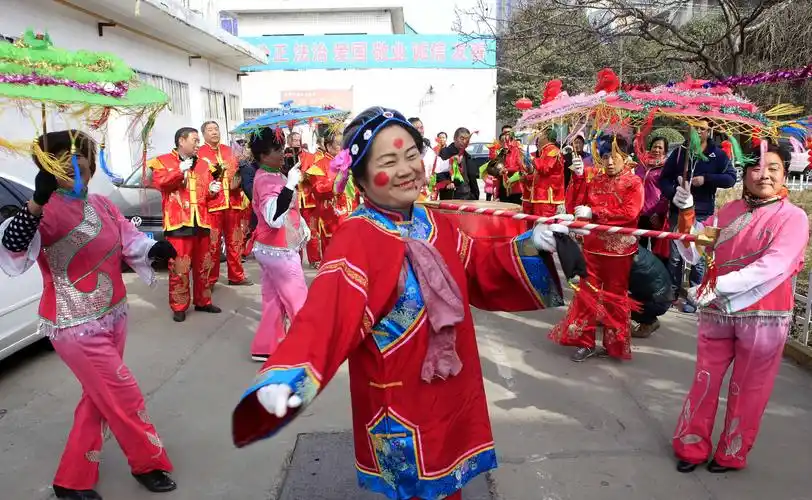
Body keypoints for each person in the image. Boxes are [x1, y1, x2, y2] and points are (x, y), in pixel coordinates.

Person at [231, 106, 580, 500]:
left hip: (452, 385)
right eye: (388, 161)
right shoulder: (357, 237)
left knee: (449, 482)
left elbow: (478, 265)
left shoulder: (434, 222)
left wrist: (533, 245)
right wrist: (286, 379)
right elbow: (326, 317)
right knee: (414, 488)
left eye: (411, 155)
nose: (406, 169)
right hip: (398, 394)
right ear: (361, 178)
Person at [0, 131, 177, 500]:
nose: (73, 162)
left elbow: (130, 239)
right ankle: (148, 462)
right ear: (46, 166)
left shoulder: (102, 204)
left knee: (99, 397)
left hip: (114, 314)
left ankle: (72, 479)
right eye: (61, 158)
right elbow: (12, 245)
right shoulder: (43, 212)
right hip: (74, 324)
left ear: (92, 164)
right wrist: (36, 201)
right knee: (124, 394)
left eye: (80, 156)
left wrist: (154, 248)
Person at [670, 142, 808, 474]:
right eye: (756, 168)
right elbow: (696, 250)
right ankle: (691, 445)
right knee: (705, 379)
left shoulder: (793, 218)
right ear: (744, 175)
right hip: (718, 311)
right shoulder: (728, 211)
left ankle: (732, 452)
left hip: (764, 316)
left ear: (785, 173)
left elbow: (774, 265)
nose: (764, 175)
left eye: (773, 168)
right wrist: (686, 213)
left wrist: (716, 286)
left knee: (749, 388)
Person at [549, 135, 644, 362]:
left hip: (619, 252)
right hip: (592, 249)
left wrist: (596, 213)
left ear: (625, 157)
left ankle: (615, 345)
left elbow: (630, 213)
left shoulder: (634, 183)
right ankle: (585, 342)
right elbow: (575, 204)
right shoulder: (596, 179)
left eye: (614, 157)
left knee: (615, 297)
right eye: (605, 157)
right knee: (586, 296)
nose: (609, 162)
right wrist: (578, 177)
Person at [245, 128, 310, 363]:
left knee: (273, 300)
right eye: (276, 149)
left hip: (270, 247)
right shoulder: (266, 179)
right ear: (263, 155)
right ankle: (306, 347)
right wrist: (290, 185)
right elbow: (273, 217)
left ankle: (265, 346)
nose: (282, 153)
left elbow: (289, 209)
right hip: (278, 250)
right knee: (298, 299)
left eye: (282, 148)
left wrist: (302, 224)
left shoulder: (273, 174)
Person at [659, 121, 736, 312]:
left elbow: (730, 178)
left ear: (709, 130)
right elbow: (664, 178)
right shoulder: (680, 152)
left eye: (702, 128)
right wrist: (674, 192)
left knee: (699, 257)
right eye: (694, 127)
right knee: (675, 256)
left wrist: (707, 179)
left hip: (703, 212)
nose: (698, 131)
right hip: (678, 211)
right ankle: (672, 294)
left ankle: (695, 297)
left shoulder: (717, 154)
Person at [149, 127, 222, 322]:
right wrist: (178, 170)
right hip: (178, 222)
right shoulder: (163, 162)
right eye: (195, 140)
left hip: (201, 221)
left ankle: (203, 301)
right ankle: (179, 306)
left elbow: (207, 196)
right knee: (179, 267)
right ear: (181, 141)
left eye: (198, 141)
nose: (198, 144)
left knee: (203, 265)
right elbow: (160, 184)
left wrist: (212, 190)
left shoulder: (204, 165)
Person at [198, 121, 252, 287]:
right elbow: (199, 179)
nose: (214, 132)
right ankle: (210, 279)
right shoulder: (200, 153)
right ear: (204, 134)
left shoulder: (230, 151)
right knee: (213, 244)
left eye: (216, 129)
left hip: (233, 202)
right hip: (213, 205)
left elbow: (239, 171)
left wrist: (238, 182)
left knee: (235, 241)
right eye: (210, 130)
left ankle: (236, 276)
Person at [312, 132, 355, 252]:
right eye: (339, 144)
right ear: (329, 146)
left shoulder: (348, 162)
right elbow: (318, 190)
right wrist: (338, 182)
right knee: (334, 251)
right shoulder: (318, 165)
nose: (343, 147)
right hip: (331, 216)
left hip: (351, 212)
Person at [289, 132, 321, 267]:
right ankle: (297, 259)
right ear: (289, 142)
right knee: (295, 231)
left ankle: (315, 259)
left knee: (312, 229)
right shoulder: (285, 157)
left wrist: (307, 175)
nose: (297, 142)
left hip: (308, 199)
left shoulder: (309, 156)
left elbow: (316, 175)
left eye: (298, 140)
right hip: (293, 198)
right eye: (294, 140)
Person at [634, 131, 669, 251]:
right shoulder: (642, 164)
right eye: (655, 146)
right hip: (639, 211)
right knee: (639, 247)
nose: (656, 150)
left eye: (660, 148)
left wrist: (658, 212)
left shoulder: (666, 168)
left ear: (665, 151)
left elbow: (666, 193)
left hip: (656, 213)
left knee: (656, 248)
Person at [629, 245, 674, 338]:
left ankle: (648, 322)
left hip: (658, 300)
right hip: (665, 295)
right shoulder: (632, 247)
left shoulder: (624, 258)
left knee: (614, 300)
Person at [524, 128, 565, 217]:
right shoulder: (545, 151)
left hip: (546, 197)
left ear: (546, 137)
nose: (539, 138)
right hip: (541, 196)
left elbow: (545, 169)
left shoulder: (553, 151)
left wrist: (533, 159)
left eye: (541, 135)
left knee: (543, 223)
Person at [438, 127, 480, 200]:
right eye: (462, 138)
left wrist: (474, 195)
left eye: (467, 139)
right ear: (455, 138)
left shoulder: (467, 156)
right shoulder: (445, 153)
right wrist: (447, 183)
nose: (464, 141)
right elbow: (438, 172)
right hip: (452, 196)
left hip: (468, 196)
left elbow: (472, 179)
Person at [485, 127, 524, 204]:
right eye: (503, 141)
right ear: (500, 142)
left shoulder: (517, 152)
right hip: (502, 188)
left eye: (508, 141)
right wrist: (498, 172)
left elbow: (521, 168)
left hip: (516, 188)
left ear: (512, 141)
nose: (506, 143)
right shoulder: (499, 153)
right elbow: (489, 169)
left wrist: (507, 170)